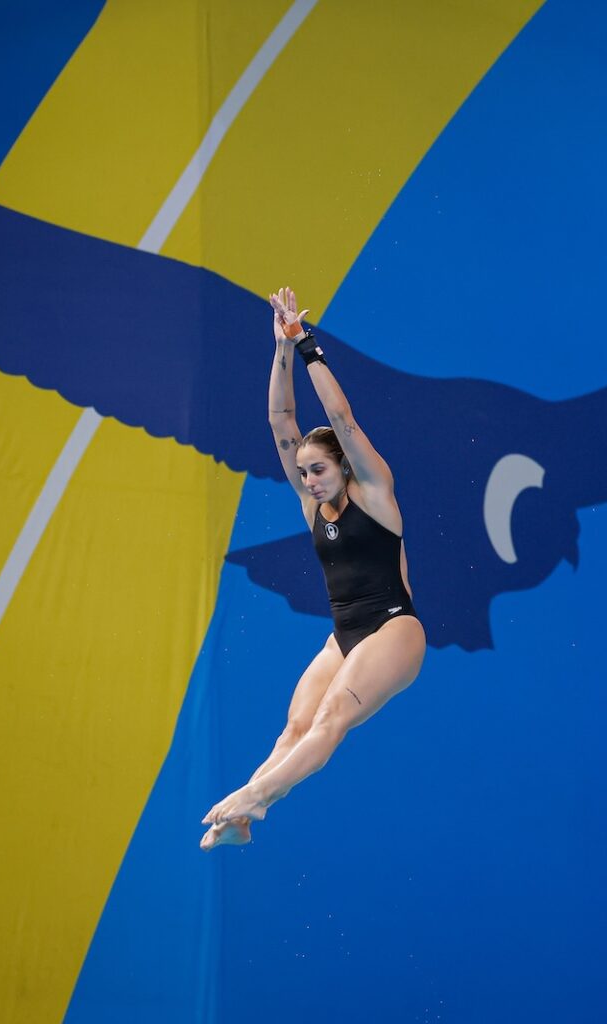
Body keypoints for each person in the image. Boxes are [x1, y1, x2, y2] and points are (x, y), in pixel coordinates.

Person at [201, 287, 427, 846]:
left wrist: (305, 345)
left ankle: (253, 798)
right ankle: (240, 821)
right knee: (295, 730)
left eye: (319, 470)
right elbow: (280, 417)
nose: (309, 480)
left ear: (343, 466)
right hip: (344, 637)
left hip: (395, 630)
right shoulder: (311, 506)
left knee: (330, 721)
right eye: (303, 472)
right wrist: (279, 350)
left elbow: (341, 418)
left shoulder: (374, 494)